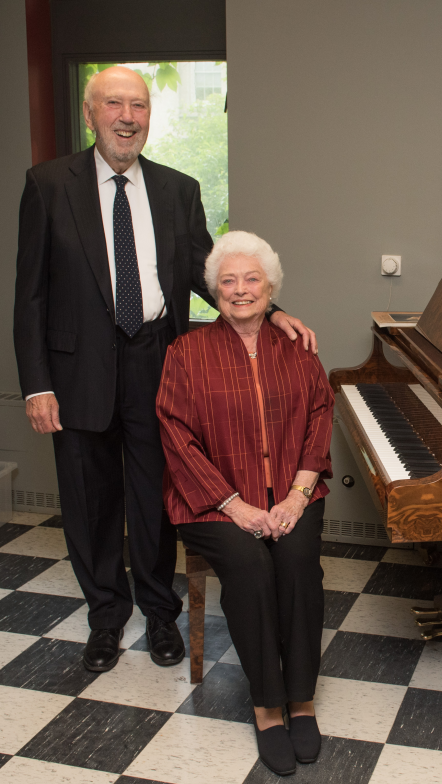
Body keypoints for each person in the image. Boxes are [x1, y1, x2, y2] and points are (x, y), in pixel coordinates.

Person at [13, 66, 317, 674]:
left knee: (157, 501)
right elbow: (31, 294)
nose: (128, 116)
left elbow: (209, 270)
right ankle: (105, 618)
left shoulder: (178, 189)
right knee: (90, 503)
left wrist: (274, 310)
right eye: (115, 105)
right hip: (77, 376)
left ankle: (158, 616)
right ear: (90, 112)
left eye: (140, 106)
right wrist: (37, 383)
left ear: (150, 116)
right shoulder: (48, 184)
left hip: (160, 363)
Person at [156, 231, 332, 776]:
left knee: (299, 562)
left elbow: (320, 416)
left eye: (251, 279)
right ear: (213, 291)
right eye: (227, 281)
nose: (239, 290)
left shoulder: (297, 347)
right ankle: (266, 707)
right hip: (210, 502)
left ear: (270, 287)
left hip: (292, 492)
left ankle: (300, 699)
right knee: (253, 569)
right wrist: (236, 506)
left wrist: (298, 495)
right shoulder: (186, 353)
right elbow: (175, 435)